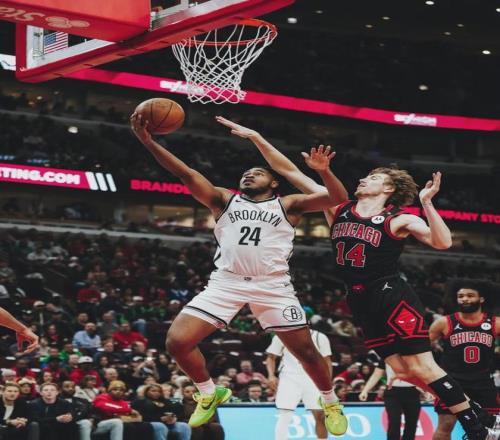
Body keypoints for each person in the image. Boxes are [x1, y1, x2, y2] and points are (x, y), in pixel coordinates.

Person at [215, 116, 498, 440]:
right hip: (359, 298)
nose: (363, 179)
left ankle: (478, 427)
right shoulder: (338, 207)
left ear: (388, 189)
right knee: (403, 371)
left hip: (391, 294)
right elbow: (289, 171)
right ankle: (476, 411)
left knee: (422, 367)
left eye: (372, 177)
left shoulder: (397, 219)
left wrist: (426, 203)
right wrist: (256, 136)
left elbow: (443, 242)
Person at [130, 112, 349, 436]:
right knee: (177, 342)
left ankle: (330, 401)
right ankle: (209, 392)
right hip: (227, 282)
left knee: (306, 352)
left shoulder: (289, 204)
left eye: (257, 173)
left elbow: (339, 198)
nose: (249, 175)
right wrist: (149, 142)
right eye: (246, 173)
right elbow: (185, 173)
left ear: (273, 182)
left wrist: (324, 171)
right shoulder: (222, 199)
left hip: (272, 286)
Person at [429, 280, 500, 440]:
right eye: (460, 296)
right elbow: (419, 349)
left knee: (490, 428)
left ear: (482, 298)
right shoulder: (444, 322)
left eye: (470, 295)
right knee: (446, 425)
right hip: (452, 381)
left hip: (483, 382)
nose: (464, 299)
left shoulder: (495, 322)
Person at [266, 328, 332, 440]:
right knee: (285, 415)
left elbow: (327, 361)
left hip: (314, 378)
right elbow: (271, 357)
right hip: (289, 377)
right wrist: (271, 375)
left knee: (320, 415)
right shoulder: (281, 335)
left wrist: (327, 382)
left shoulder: (320, 336)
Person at [360, 360, 421, 440]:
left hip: (413, 392)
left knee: (412, 423)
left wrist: (428, 390)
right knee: (394, 422)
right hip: (392, 393)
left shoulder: (415, 355)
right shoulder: (386, 355)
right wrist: (365, 390)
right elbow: (377, 374)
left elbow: (424, 372)